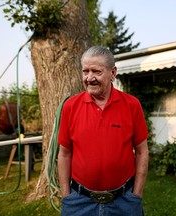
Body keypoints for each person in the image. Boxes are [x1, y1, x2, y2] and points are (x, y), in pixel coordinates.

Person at [57, 46, 149, 216]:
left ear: (113, 73)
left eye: (96, 72)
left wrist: (137, 195)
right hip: (79, 201)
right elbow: (64, 154)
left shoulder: (131, 105)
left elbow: (142, 152)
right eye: (85, 71)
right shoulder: (70, 106)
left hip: (124, 201)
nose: (89, 78)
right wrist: (66, 195)